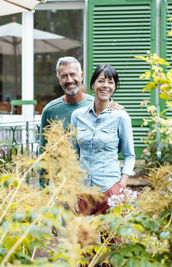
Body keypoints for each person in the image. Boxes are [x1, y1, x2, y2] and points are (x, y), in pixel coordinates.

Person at [39, 57, 124, 188]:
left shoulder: (98, 105)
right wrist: (42, 188)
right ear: (59, 79)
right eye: (64, 76)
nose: (69, 80)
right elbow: (43, 152)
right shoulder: (50, 110)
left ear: (82, 75)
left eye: (73, 74)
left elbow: (116, 146)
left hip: (91, 185)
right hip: (60, 185)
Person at [70, 64, 135, 216]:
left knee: (111, 239)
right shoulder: (77, 116)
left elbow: (129, 155)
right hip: (82, 190)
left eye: (110, 82)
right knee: (83, 238)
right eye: (101, 81)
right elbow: (72, 155)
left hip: (110, 189)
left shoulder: (121, 116)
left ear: (114, 87)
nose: (105, 85)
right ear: (92, 85)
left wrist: (121, 187)